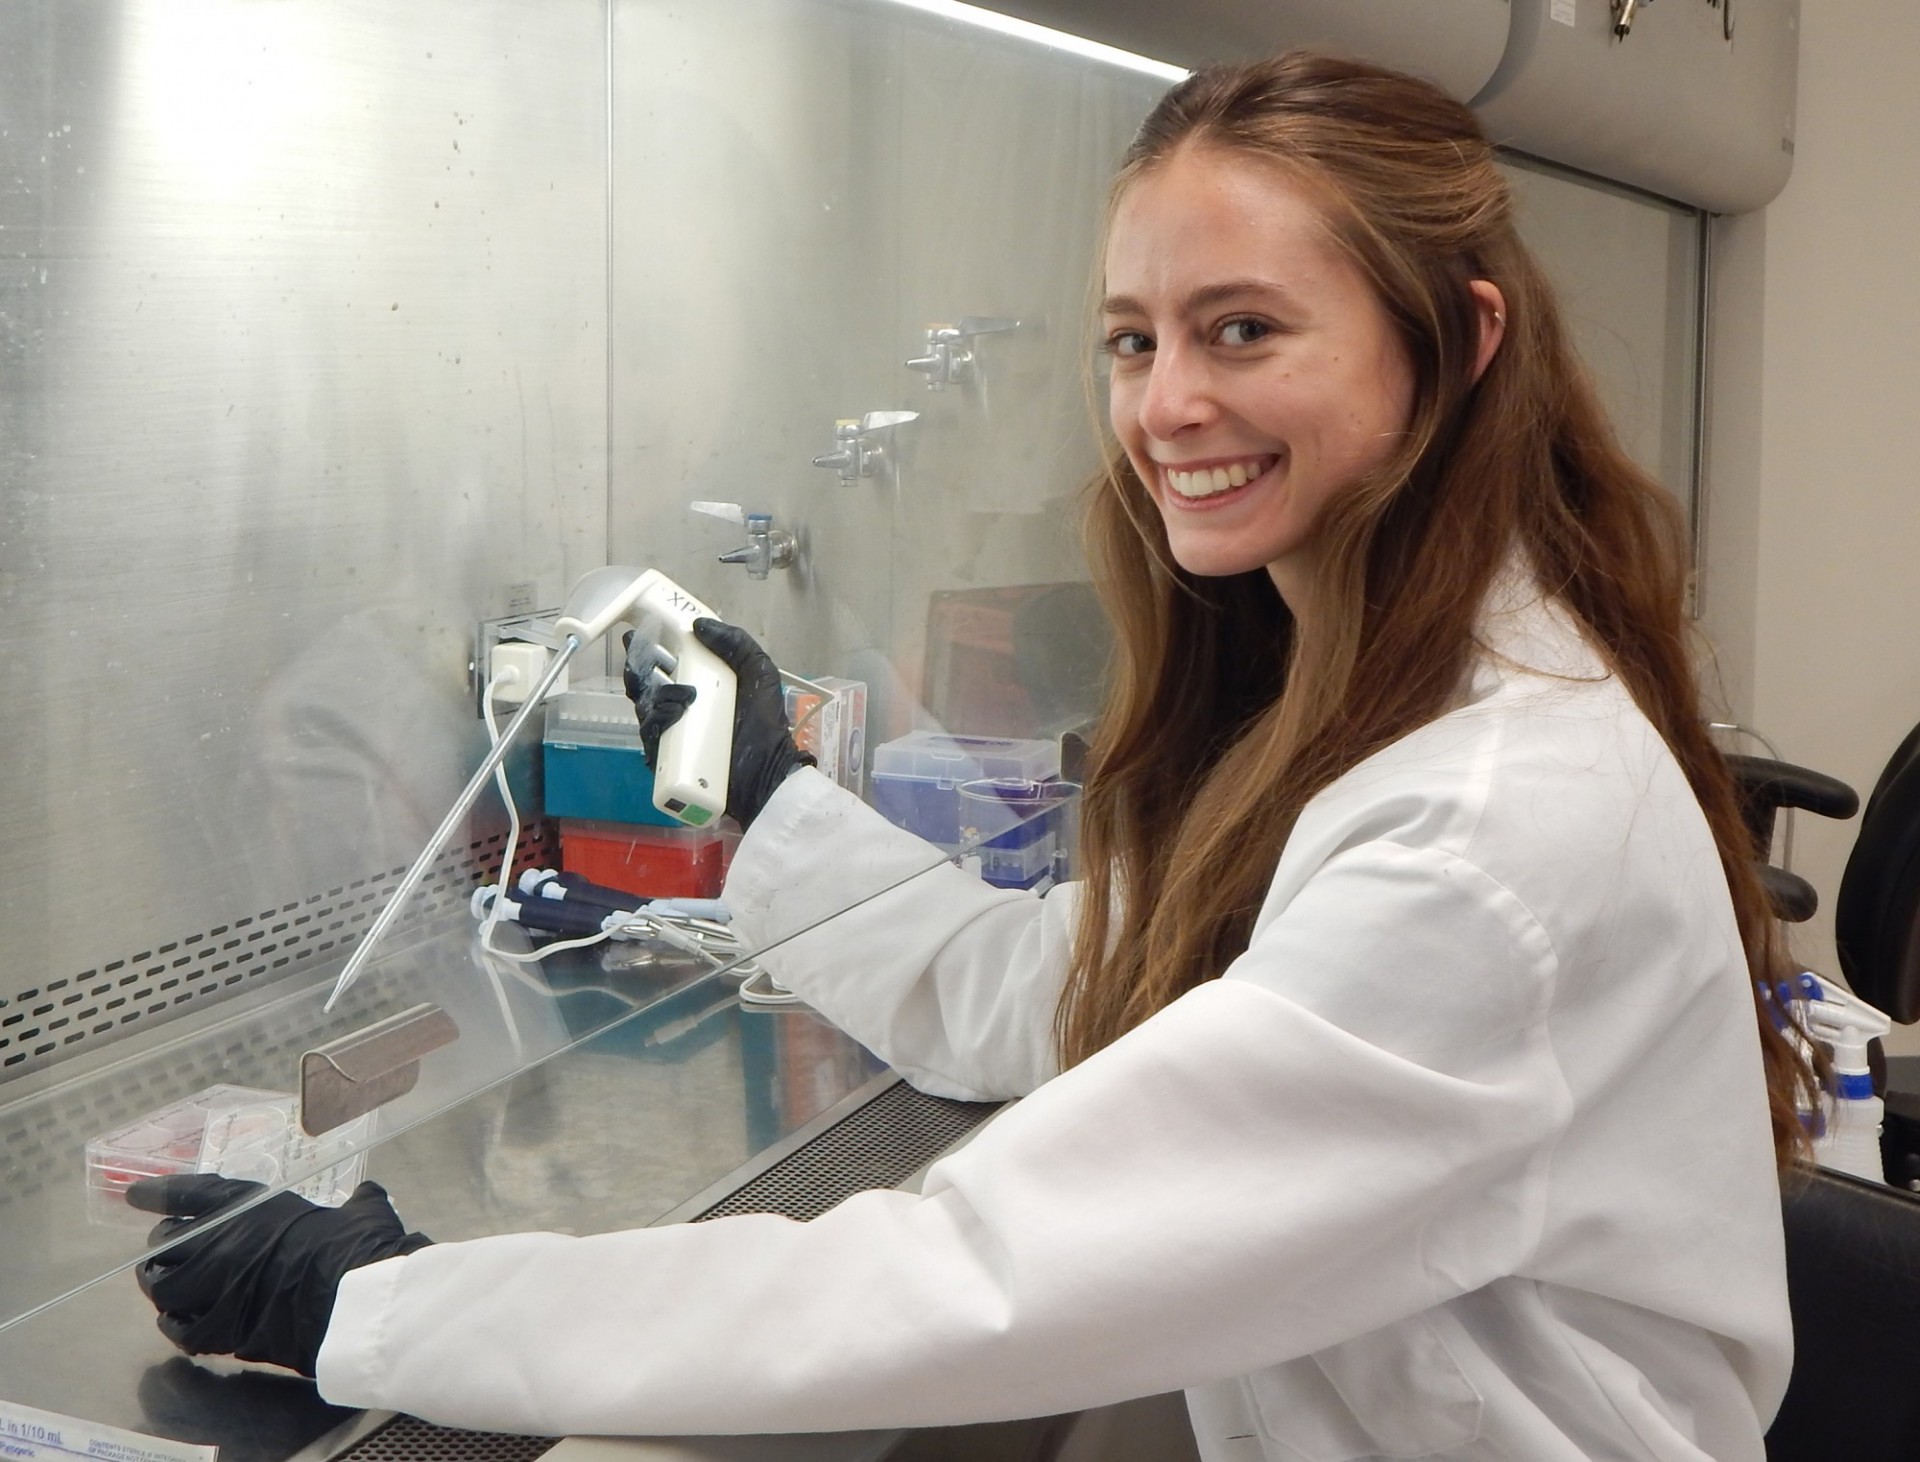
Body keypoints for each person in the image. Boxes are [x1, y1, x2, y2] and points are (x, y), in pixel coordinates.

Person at [130, 52, 1818, 1460]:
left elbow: (966, 1276)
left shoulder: (1487, 833)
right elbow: (1040, 983)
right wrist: (773, 798)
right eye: (1135, 338)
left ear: (1454, 344)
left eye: (1244, 330)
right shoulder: (1371, 702)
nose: (1165, 405)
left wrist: (379, 1301)